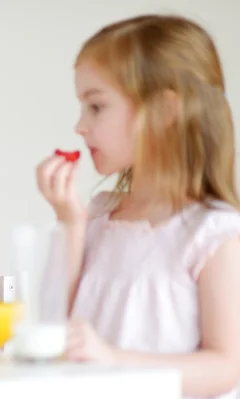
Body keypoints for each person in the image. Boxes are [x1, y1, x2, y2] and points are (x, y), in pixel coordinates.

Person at [36, 14, 240, 398]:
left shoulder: (214, 235)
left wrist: (113, 360)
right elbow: (52, 327)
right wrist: (70, 223)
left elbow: (225, 367)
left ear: (164, 112)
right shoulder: (97, 216)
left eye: (96, 107)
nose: (80, 125)